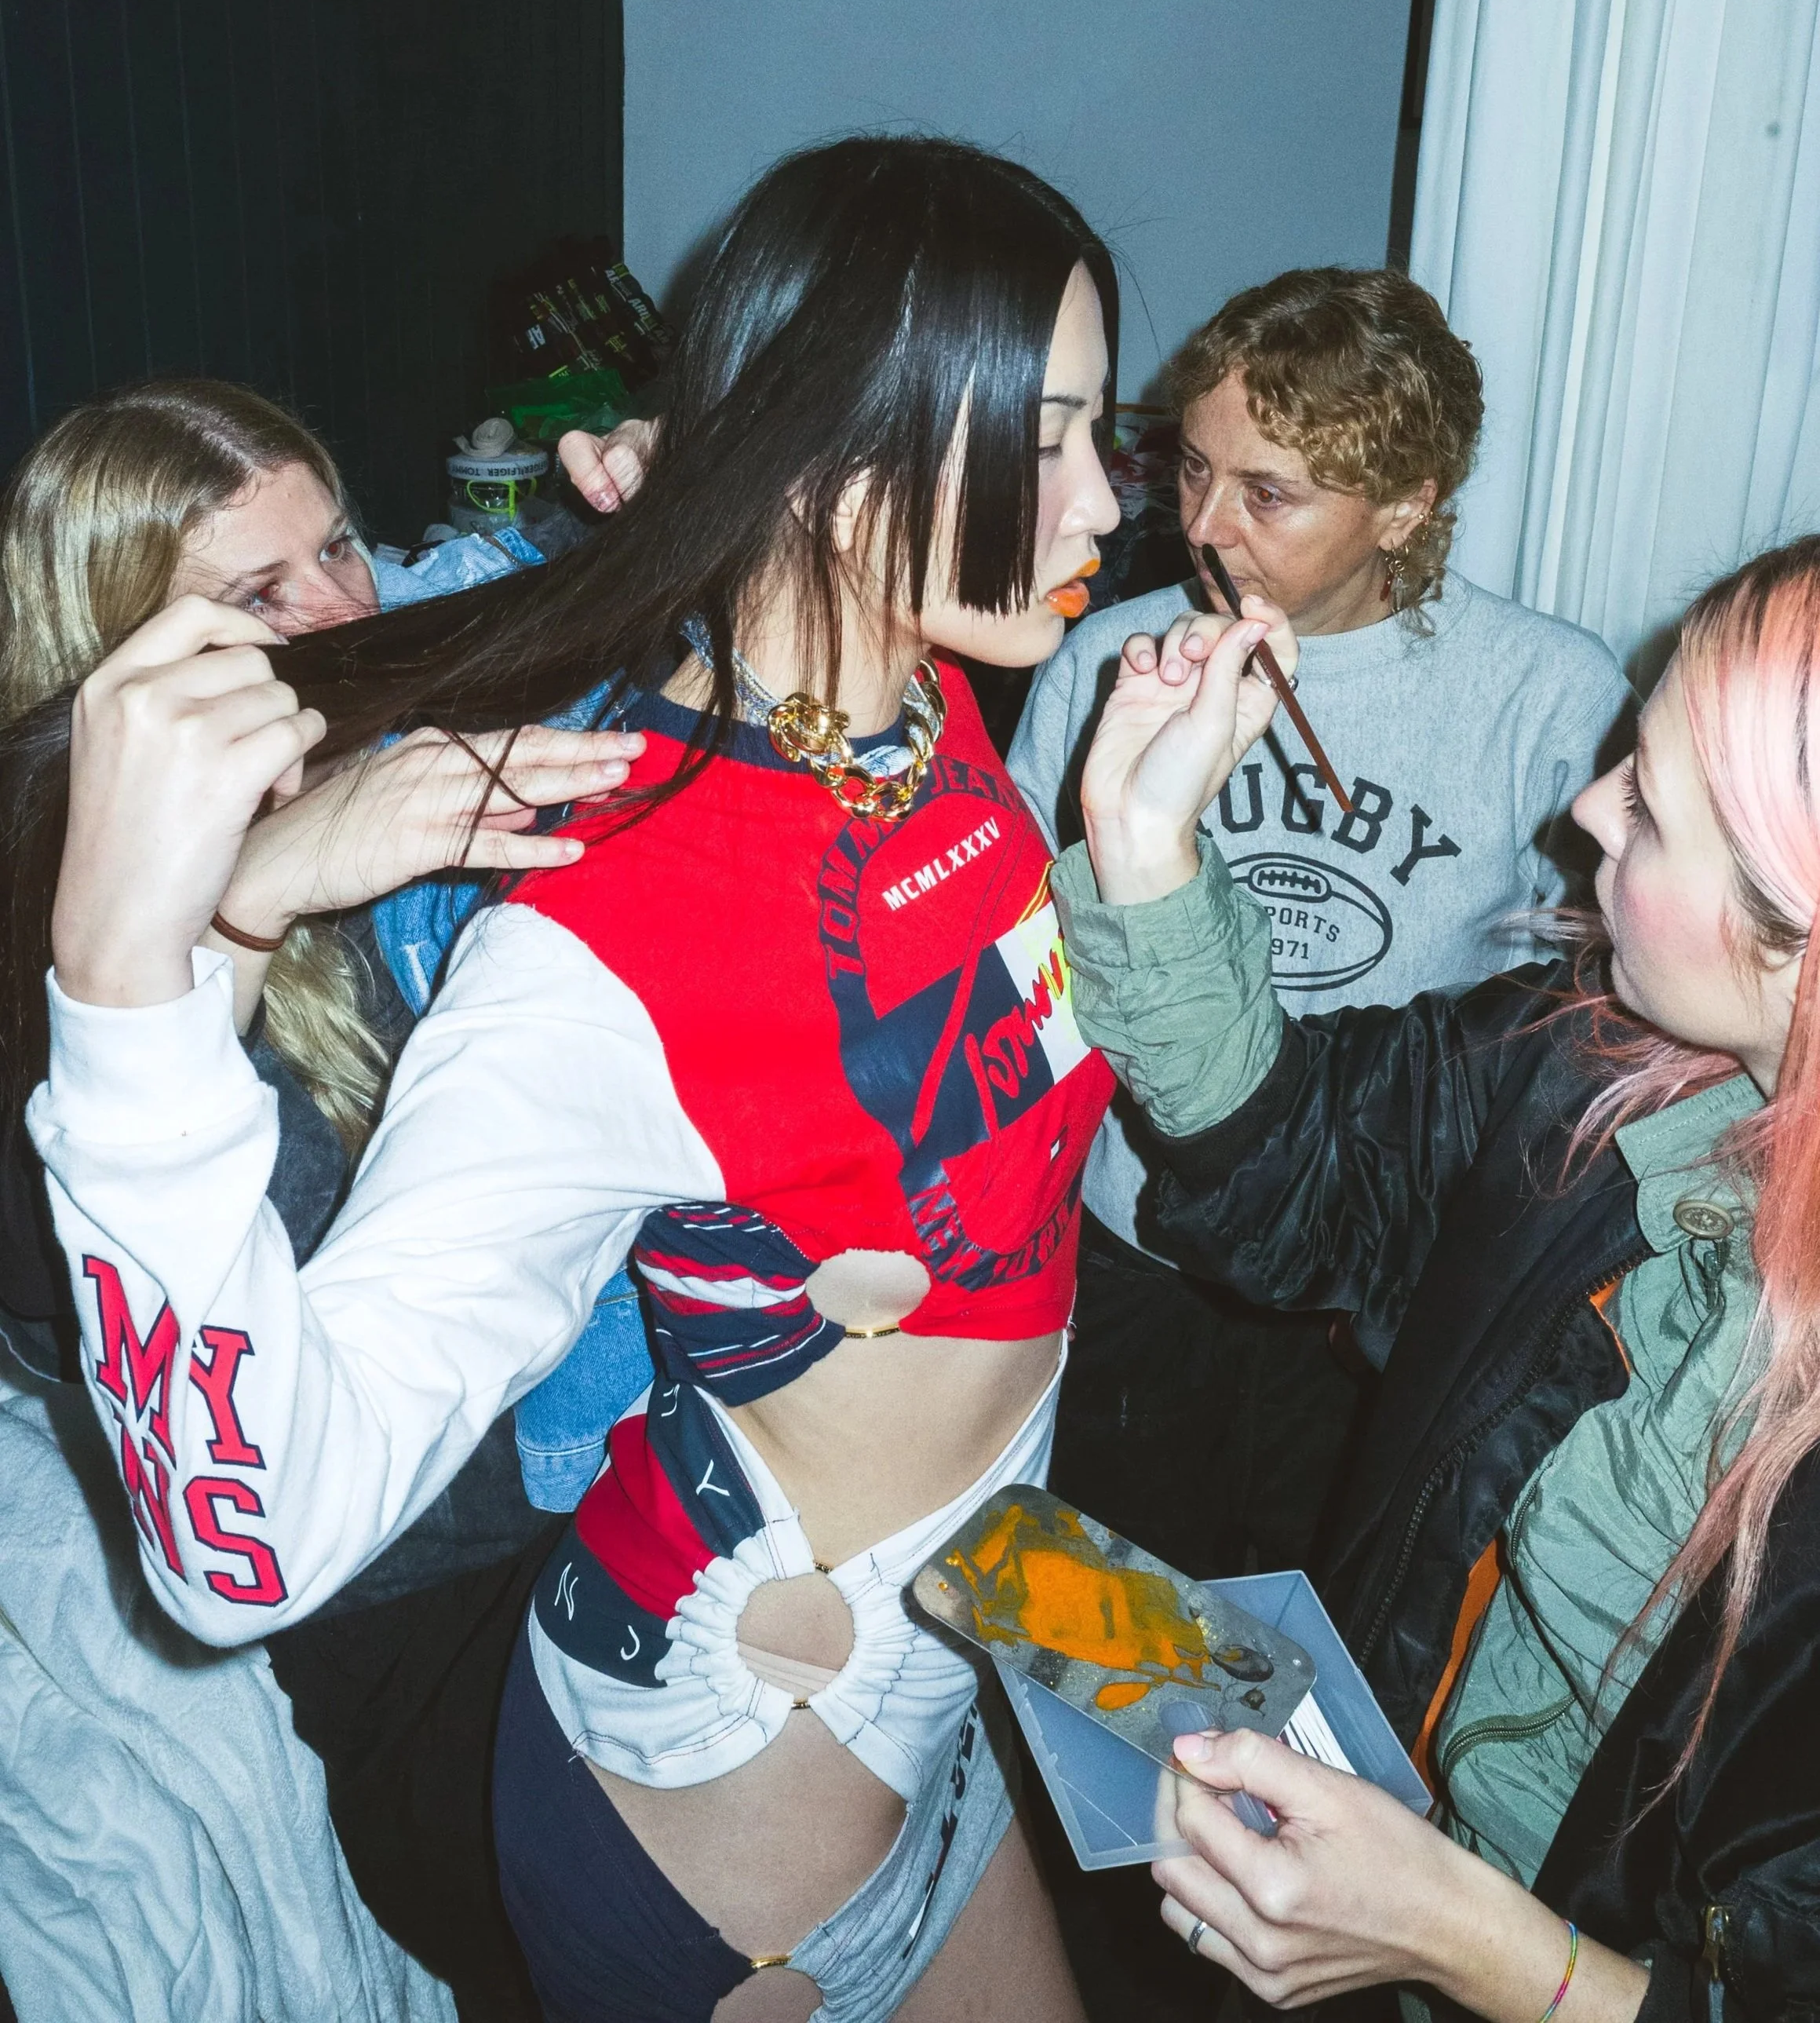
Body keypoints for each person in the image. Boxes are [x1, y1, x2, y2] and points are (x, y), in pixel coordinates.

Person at [18, 134, 1128, 2023]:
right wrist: (141, 978)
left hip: (942, 1678)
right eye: (1046, 437)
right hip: (728, 1823)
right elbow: (243, 1549)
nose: (1107, 496)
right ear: (846, 469)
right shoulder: (600, 950)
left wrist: (1130, 1646)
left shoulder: (927, 709)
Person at [1040, 540, 1820, 2021]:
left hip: (1492, 1964)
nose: (1585, 808)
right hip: (1371, 1838)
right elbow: (1306, 1176)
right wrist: (1142, 846)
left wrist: (1468, 1945)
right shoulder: (1600, 1072)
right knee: (1044, 1591)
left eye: (1649, 807)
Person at [0, 375, 647, 2023]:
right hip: (400, 1602)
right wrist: (240, 914)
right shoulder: (59, 917)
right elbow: (118, 1320)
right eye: (256, 594)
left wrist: (648, 526)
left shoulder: (367, 725)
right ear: (115, 663)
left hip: (570, 1474)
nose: (339, 611)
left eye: (340, 547)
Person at [1009, 267, 1631, 1582]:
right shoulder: (1107, 660)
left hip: (1376, 1290)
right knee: (1119, 1635)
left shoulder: (1549, 695)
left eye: (1267, 494)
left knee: (1320, 1657)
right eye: (1189, 470)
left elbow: (1585, 1020)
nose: (1202, 527)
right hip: (1137, 1250)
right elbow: (1013, 969)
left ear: (1405, 504)